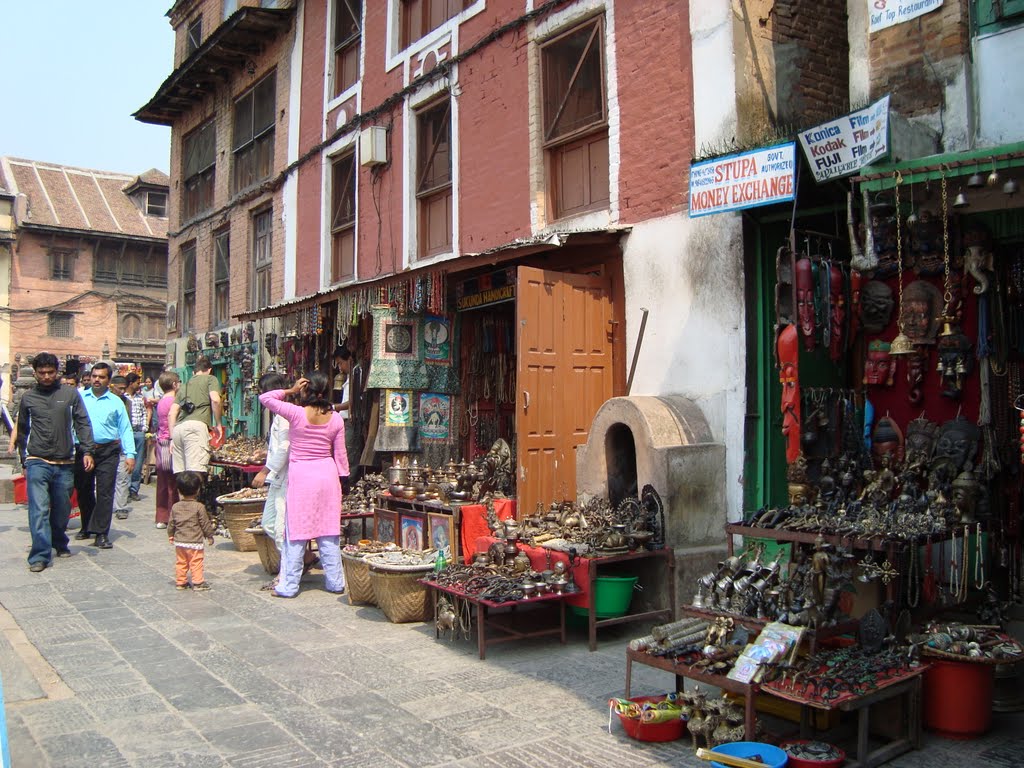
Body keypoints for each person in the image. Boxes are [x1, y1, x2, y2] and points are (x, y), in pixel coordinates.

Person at [258, 372, 348, 598]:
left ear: (305, 389)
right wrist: (342, 480)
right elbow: (341, 455)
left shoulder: (296, 413)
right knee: (328, 532)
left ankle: (288, 586)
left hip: (302, 477)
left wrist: (290, 390)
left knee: (296, 533)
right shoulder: (335, 417)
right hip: (327, 476)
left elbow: (266, 398)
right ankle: (335, 582)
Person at [16, 352, 95, 572]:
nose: (47, 377)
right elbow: (22, 430)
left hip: (64, 462)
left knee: (62, 509)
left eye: (51, 372)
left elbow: (83, 423)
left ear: (57, 372)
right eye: (42, 373)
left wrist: (87, 451)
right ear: (35, 373)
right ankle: (39, 555)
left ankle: (58, 540)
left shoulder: (70, 394)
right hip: (37, 460)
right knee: (39, 508)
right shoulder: (28, 398)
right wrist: (23, 458)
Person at [75, 362, 135, 549]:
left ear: (108, 380)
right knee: (84, 490)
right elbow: (71, 424)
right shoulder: (80, 398)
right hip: (84, 450)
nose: (96, 380)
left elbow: (125, 428)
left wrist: (130, 453)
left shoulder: (116, 402)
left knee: (105, 492)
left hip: (108, 450)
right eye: (94, 376)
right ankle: (87, 525)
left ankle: (101, 532)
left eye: (101, 377)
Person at [252, 372, 290, 563]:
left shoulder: (284, 415)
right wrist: (265, 454)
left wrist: (265, 470)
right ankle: (304, 559)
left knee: (280, 526)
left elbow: (285, 448)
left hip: (283, 478)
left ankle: (289, 572)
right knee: (269, 523)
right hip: (277, 478)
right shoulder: (279, 416)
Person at [169, 356, 224, 481]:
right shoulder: (210, 379)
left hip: (178, 429)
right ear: (209, 370)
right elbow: (215, 400)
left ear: (194, 372)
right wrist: (218, 424)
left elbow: (172, 412)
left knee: (181, 475)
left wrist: (172, 438)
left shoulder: (184, 385)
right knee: (195, 475)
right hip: (196, 427)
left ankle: (182, 500)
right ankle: (194, 500)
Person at [167, 470, 215, 591]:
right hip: (194, 542)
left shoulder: (175, 506)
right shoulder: (199, 507)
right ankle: (198, 582)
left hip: (180, 541)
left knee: (181, 562)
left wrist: (171, 534)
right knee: (196, 561)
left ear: (179, 490)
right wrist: (209, 535)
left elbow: (171, 523)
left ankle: (181, 582)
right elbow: (204, 523)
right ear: (198, 490)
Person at [153, 371, 181, 529]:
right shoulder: (174, 401)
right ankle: (172, 515)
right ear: (174, 384)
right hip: (170, 442)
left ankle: (161, 516)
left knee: (163, 481)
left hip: (160, 441)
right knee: (173, 481)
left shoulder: (161, 401)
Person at [109, 376, 134, 522]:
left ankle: (121, 506)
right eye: (120, 388)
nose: (123, 391)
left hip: (122, 445)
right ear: (112, 386)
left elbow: (127, 426)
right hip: (107, 444)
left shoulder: (127, 403)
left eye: (124, 388)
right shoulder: (107, 401)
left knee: (123, 477)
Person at [124, 373, 148, 501]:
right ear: (131, 383)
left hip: (139, 432)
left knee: (138, 462)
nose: (139, 386)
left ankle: (134, 489)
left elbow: (144, 413)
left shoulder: (140, 397)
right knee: (126, 461)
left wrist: (144, 428)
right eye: (137, 383)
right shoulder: (123, 397)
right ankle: (124, 489)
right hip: (127, 432)